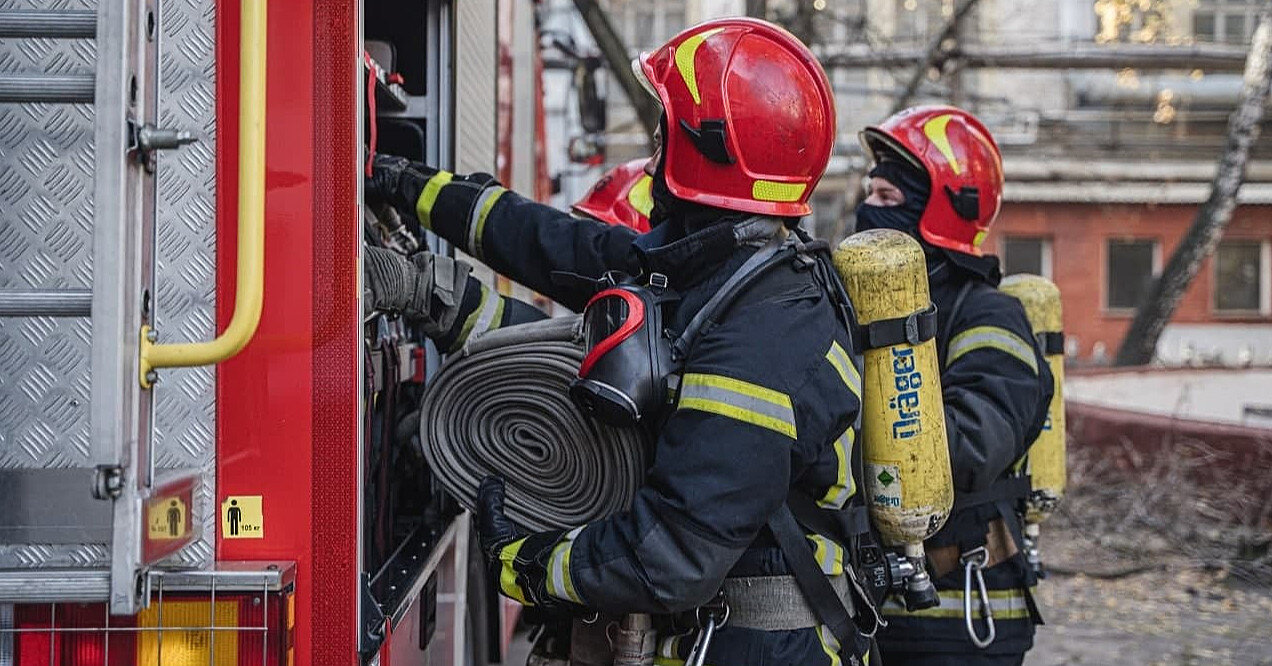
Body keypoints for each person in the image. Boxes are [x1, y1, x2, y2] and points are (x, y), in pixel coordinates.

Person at [367, 17, 881, 665]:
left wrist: (522, 566)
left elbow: (669, 556)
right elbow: (553, 246)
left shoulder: (765, 330)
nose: (655, 146)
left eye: (666, 128)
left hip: (765, 648)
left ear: (705, 147)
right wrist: (411, 186)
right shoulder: (714, 271)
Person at [854, 105, 1053, 665]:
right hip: (876, 611)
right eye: (868, 194)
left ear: (942, 213)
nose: (868, 210)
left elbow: (969, 447)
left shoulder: (987, 316)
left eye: (889, 199)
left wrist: (837, 429)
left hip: (962, 612)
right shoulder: (856, 309)